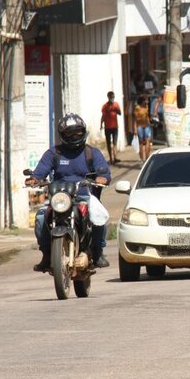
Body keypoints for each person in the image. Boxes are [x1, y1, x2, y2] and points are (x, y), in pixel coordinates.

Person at [26, 113, 112, 271]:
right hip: (59, 197)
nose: (74, 136)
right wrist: (34, 179)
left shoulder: (92, 153)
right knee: (40, 218)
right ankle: (46, 254)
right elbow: (40, 172)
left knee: (99, 214)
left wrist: (102, 178)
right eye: (69, 133)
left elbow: (104, 173)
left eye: (77, 132)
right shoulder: (54, 153)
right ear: (63, 135)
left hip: (84, 196)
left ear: (83, 132)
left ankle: (98, 252)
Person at [100, 91, 122, 164]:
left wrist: (116, 109)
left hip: (115, 126)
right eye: (111, 97)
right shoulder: (105, 106)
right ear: (108, 97)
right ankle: (111, 158)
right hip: (107, 127)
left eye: (113, 97)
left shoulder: (116, 104)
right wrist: (101, 124)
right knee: (108, 143)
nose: (112, 98)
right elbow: (103, 116)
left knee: (114, 142)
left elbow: (120, 113)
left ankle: (115, 157)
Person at [133, 94, 153, 161]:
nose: (147, 101)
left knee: (148, 140)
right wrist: (135, 129)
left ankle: (147, 157)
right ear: (142, 101)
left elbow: (147, 117)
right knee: (141, 142)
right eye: (146, 100)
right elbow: (135, 119)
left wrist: (150, 124)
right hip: (139, 126)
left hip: (147, 125)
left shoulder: (147, 107)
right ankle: (142, 158)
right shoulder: (137, 108)